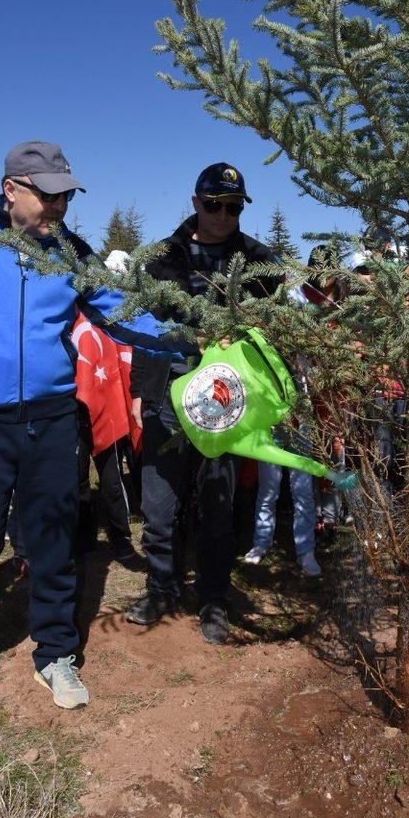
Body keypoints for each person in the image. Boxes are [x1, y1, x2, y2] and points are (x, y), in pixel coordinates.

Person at [0, 141, 188, 709]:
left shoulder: (72, 252)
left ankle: (55, 653)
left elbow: (120, 311)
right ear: (13, 189)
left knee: (56, 541)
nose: (61, 204)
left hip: (54, 420)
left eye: (67, 193)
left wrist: (184, 340)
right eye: (50, 193)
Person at [125, 163, 278, 644]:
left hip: (222, 400)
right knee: (158, 503)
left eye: (233, 207)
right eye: (214, 204)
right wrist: (138, 391)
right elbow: (142, 329)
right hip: (166, 396)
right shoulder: (161, 258)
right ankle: (162, 587)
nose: (223, 214)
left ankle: (213, 597)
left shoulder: (257, 261)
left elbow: (270, 325)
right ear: (196, 202)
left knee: (217, 503)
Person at [244, 461, 322, 575]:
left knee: (304, 495)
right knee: (267, 494)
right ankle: (261, 543)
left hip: (301, 444)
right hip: (269, 443)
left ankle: (306, 551)